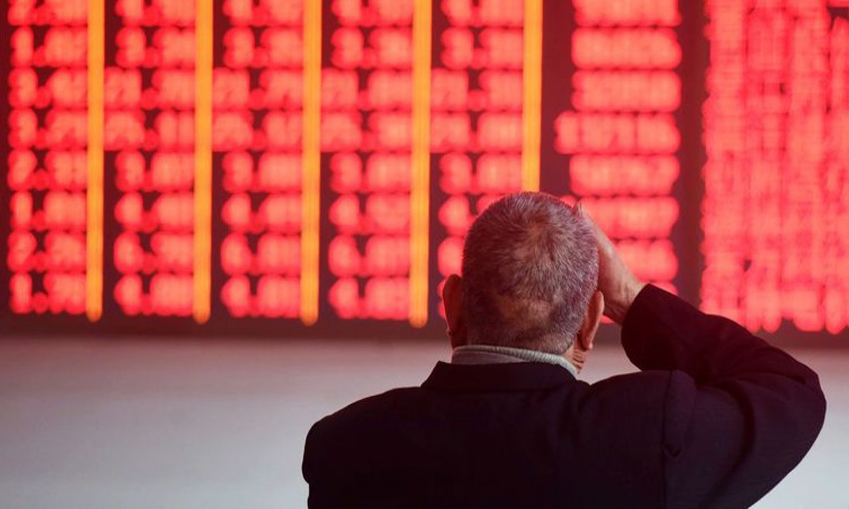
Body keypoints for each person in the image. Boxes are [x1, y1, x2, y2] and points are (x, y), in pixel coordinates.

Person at [302, 192, 826, 508]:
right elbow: (792, 392)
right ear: (591, 323)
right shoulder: (646, 433)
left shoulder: (345, 448)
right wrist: (633, 299)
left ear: (452, 303)